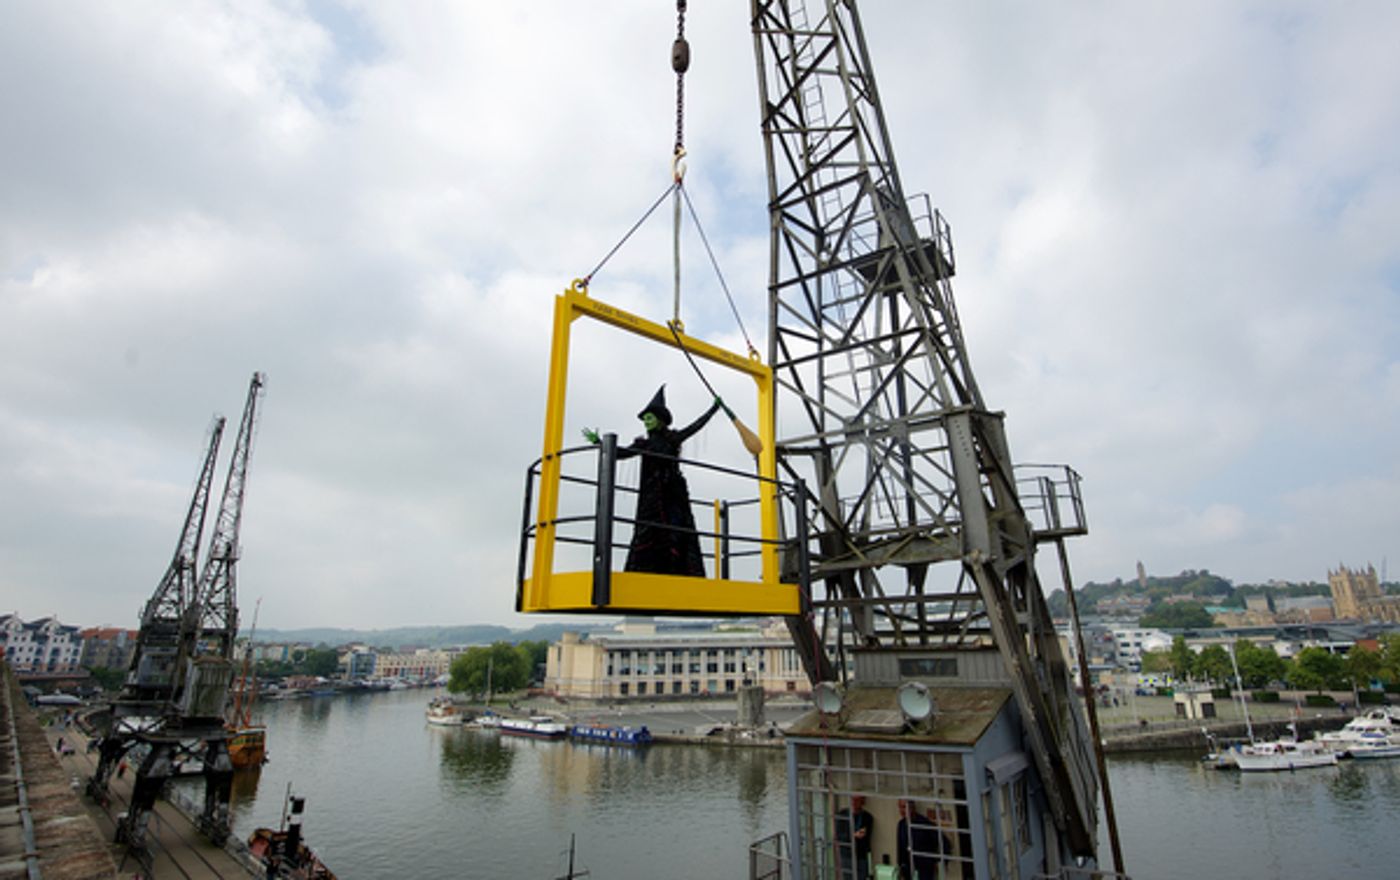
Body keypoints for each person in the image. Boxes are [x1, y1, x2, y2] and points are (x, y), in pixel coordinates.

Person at [583, 385, 721, 577]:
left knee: (676, 533)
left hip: (673, 498)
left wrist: (713, 409)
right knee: (649, 533)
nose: (646, 422)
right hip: (651, 500)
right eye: (645, 419)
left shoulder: (673, 439)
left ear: (659, 420)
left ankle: (679, 573)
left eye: (649, 418)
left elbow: (695, 427)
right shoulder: (644, 445)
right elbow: (621, 453)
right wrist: (600, 443)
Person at [896, 799, 951, 880]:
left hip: (925, 869)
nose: (902, 811)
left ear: (912, 807)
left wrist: (939, 862)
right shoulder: (901, 824)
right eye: (900, 807)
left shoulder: (925, 823)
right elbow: (900, 847)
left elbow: (944, 842)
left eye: (904, 807)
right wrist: (900, 866)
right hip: (908, 869)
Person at [834, 794, 875, 880]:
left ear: (862, 802)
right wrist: (853, 835)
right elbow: (838, 836)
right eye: (852, 799)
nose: (854, 802)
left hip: (861, 856)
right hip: (847, 855)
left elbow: (866, 837)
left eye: (857, 800)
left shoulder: (867, 817)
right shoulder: (842, 815)